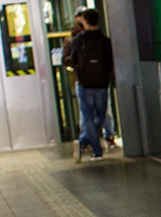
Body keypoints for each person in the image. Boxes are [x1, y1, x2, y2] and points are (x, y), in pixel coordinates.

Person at [64, 8, 113, 160]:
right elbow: (109, 61)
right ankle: (86, 142)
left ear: (84, 21)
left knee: (88, 117)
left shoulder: (78, 40)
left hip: (84, 84)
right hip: (101, 84)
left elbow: (72, 59)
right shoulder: (105, 40)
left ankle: (90, 146)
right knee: (100, 116)